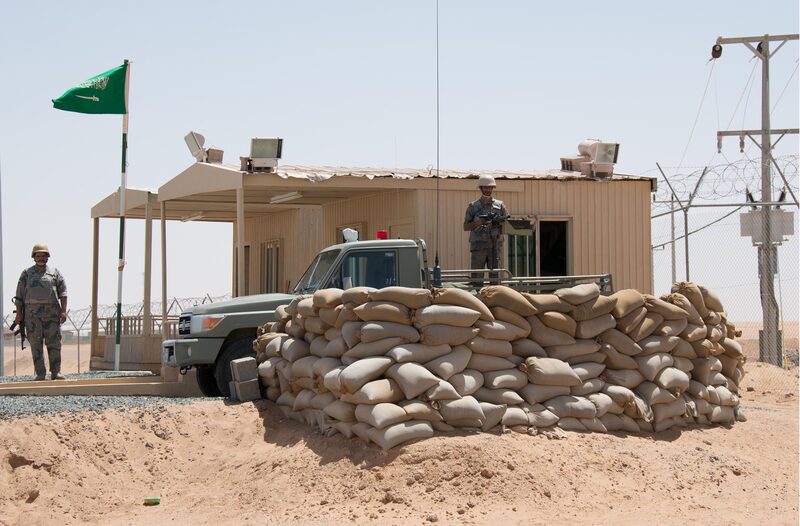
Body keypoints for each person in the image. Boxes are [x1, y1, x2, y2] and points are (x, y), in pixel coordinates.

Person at [14, 244, 68, 380]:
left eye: (44, 256)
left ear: (47, 257)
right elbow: (19, 296)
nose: (41, 258)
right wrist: (19, 314)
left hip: (52, 316)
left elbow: (63, 293)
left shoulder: (54, 273)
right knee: (36, 345)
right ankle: (40, 373)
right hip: (32, 317)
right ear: (34, 257)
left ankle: (56, 372)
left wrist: (63, 311)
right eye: (38, 256)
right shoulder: (26, 274)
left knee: (54, 344)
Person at [463, 174, 509, 284]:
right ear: (481, 188)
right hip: (478, 246)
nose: (488, 190)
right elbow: (466, 227)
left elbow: (507, 223)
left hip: (494, 244)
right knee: (477, 277)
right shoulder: (473, 206)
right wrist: (479, 222)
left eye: (490, 187)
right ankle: (477, 293)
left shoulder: (500, 205)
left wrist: (498, 221)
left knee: (495, 277)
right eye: (485, 187)